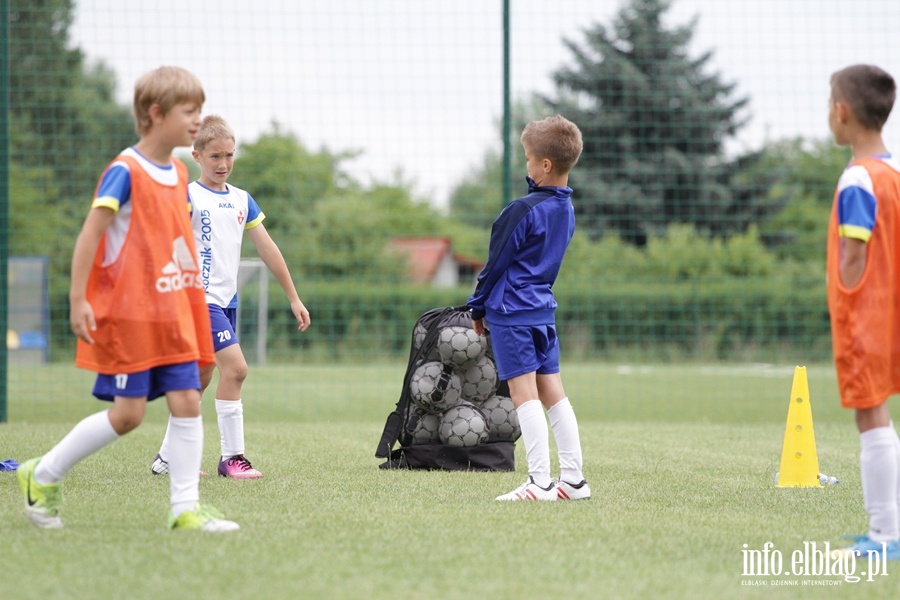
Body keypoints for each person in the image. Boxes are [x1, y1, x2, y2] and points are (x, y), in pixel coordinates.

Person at [17, 66, 239, 531]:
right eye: (189, 111)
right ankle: (43, 474)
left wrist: (188, 282)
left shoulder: (179, 172)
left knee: (185, 399)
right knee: (128, 415)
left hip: (174, 309)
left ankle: (185, 509)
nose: (197, 119)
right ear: (156, 115)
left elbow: (173, 238)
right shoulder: (125, 170)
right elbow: (90, 234)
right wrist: (79, 299)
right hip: (131, 316)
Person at [150, 115, 310, 479]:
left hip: (226, 301)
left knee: (201, 379)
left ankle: (168, 458)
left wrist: (293, 297)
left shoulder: (242, 199)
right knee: (236, 370)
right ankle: (232, 458)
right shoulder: (187, 195)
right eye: (215, 157)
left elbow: (268, 249)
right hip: (196, 300)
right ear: (197, 156)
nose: (223, 164)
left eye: (229, 156)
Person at [467, 115, 589, 501]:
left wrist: (477, 308)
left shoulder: (520, 211)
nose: (526, 165)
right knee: (554, 392)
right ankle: (574, 481)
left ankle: (539, 484)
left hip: (512, 310)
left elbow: (495, 265)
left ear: (545, 165)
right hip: (541, 309)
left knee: (524, 395)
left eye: (528, 158)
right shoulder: (565, 210)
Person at [826, 64, 900, 560]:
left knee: (871, 416)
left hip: (866, 319)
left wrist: (848, 301)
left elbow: (854, 250)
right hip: (891, 313)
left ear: (842, 112)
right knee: (880, 415)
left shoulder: (858, 177)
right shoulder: (893, 173)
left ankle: (884, 536)